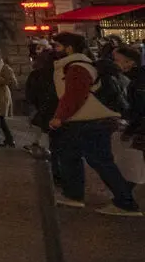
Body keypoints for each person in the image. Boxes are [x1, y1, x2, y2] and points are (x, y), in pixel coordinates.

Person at [46, 32, 140, 215]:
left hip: (90, 120)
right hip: (83, 120)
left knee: (100, 161)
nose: (54, 50)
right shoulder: (76, 65)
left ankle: (125, 202)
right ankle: (73, 196)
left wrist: (60, 117)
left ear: (69, 48)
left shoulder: (77, 67)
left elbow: (74, 95)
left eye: (58, 46)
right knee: (70, 157)